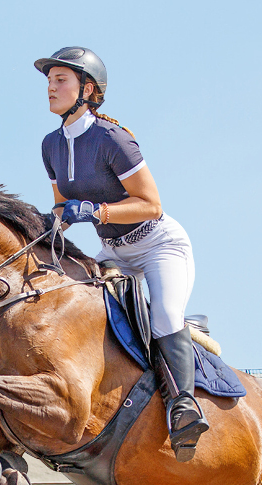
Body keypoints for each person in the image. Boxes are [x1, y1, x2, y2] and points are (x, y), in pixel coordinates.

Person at [34, 47, 208, 462]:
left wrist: (97, 211)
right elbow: (61, 206)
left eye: (60, 80)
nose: (51, 88)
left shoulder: (113, 138)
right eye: (49, 81)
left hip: (159, 244)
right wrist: (46, 232)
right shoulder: (50, 145)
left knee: (164, 315)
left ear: (86, 89)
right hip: (113, 252)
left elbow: (151, 204)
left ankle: (184, 406)